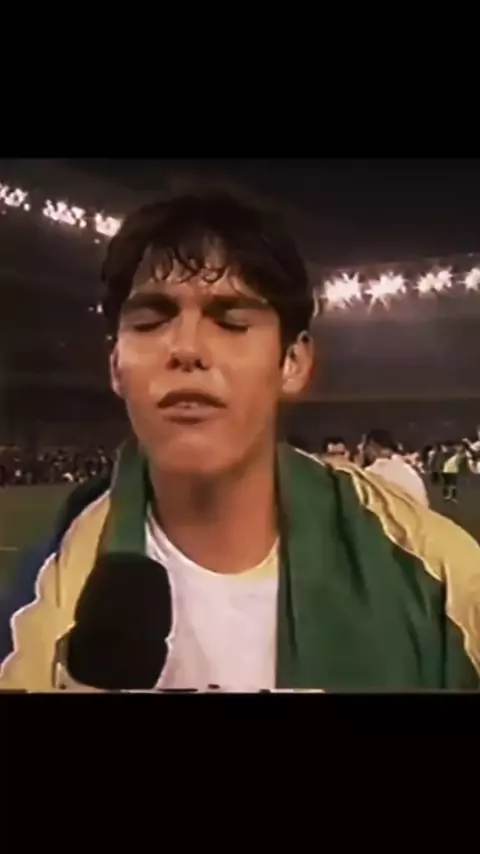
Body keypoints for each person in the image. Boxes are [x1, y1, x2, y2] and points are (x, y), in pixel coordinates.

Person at [0, 190, 479, 692]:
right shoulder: (44, 592)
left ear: (292, 362)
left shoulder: (434, 574)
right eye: (149, 322)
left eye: (231, 322)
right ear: (115, 364)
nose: (187, 349)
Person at [361, 429, 430, 507]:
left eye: (364, 447)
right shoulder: (408, 470)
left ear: (372, 447)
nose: (363, 452)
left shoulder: (372, 473)